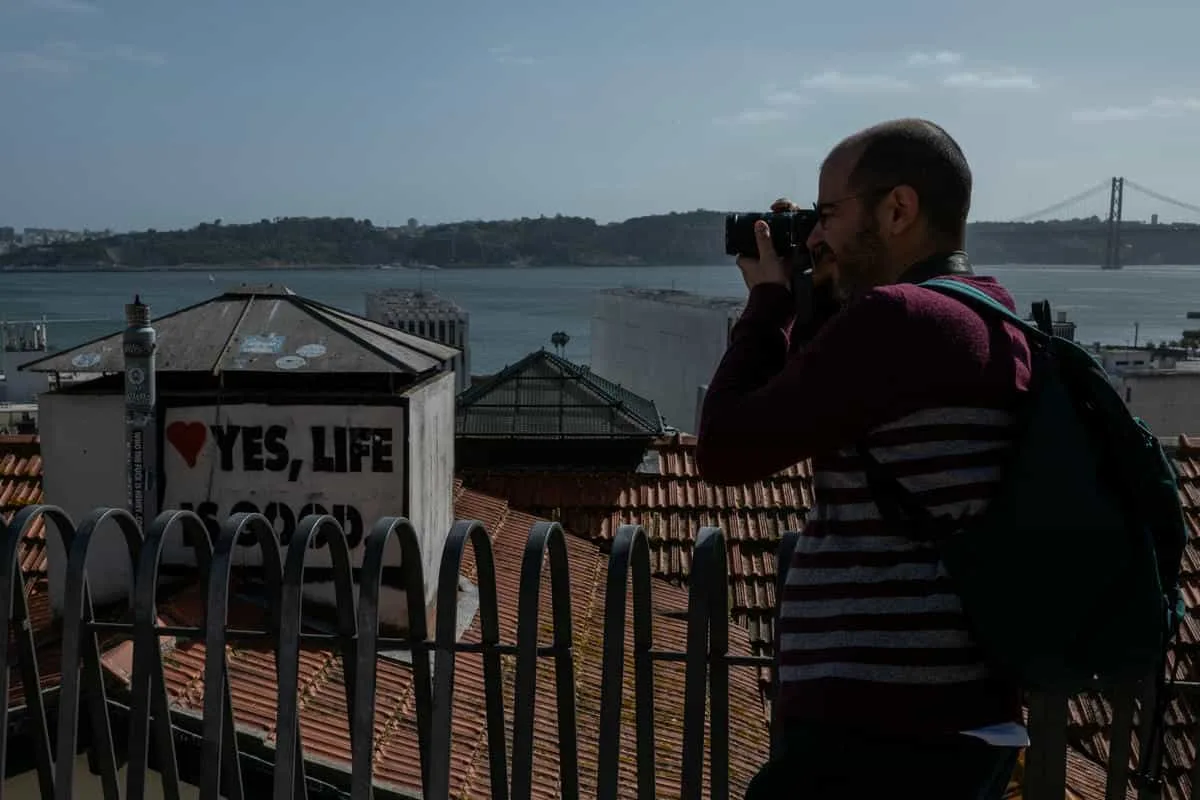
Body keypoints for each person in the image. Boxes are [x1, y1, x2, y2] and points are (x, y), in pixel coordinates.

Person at [696, 119, 1030, 799]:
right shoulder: (990, 317)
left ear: (898, 209)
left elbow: (727, 448)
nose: (815, 237)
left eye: (828, 214)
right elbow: (841, 407)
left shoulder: (899, 320)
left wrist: (767, 301)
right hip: (960, 720)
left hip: (877, 730)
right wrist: (811, 295)